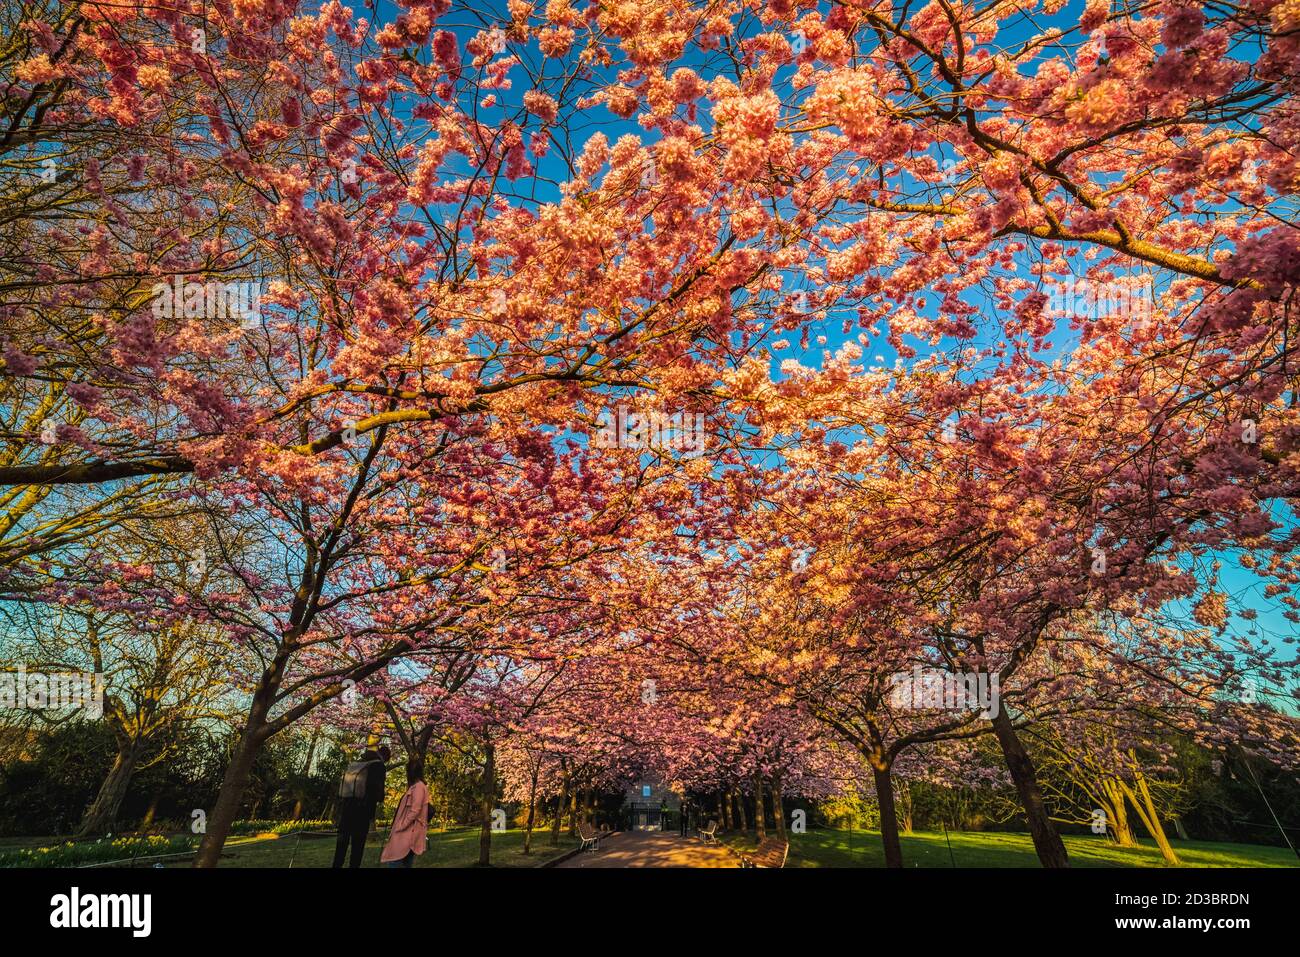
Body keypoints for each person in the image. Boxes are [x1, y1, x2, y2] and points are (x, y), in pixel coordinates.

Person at [332, 744, 390, 868]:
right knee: (356, 852)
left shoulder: (358, 762)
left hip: (346, 810)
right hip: (361, 813)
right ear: (385, 757)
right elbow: (377, 792)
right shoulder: (378, 766)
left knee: (340, 850)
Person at [380, 760, 430, 868]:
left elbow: (415, 811)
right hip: (408, 832)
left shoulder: (418, 788)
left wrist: (401, 825)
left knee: (394, 861)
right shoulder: (416, 787)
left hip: (408, 832)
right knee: (404, 862)